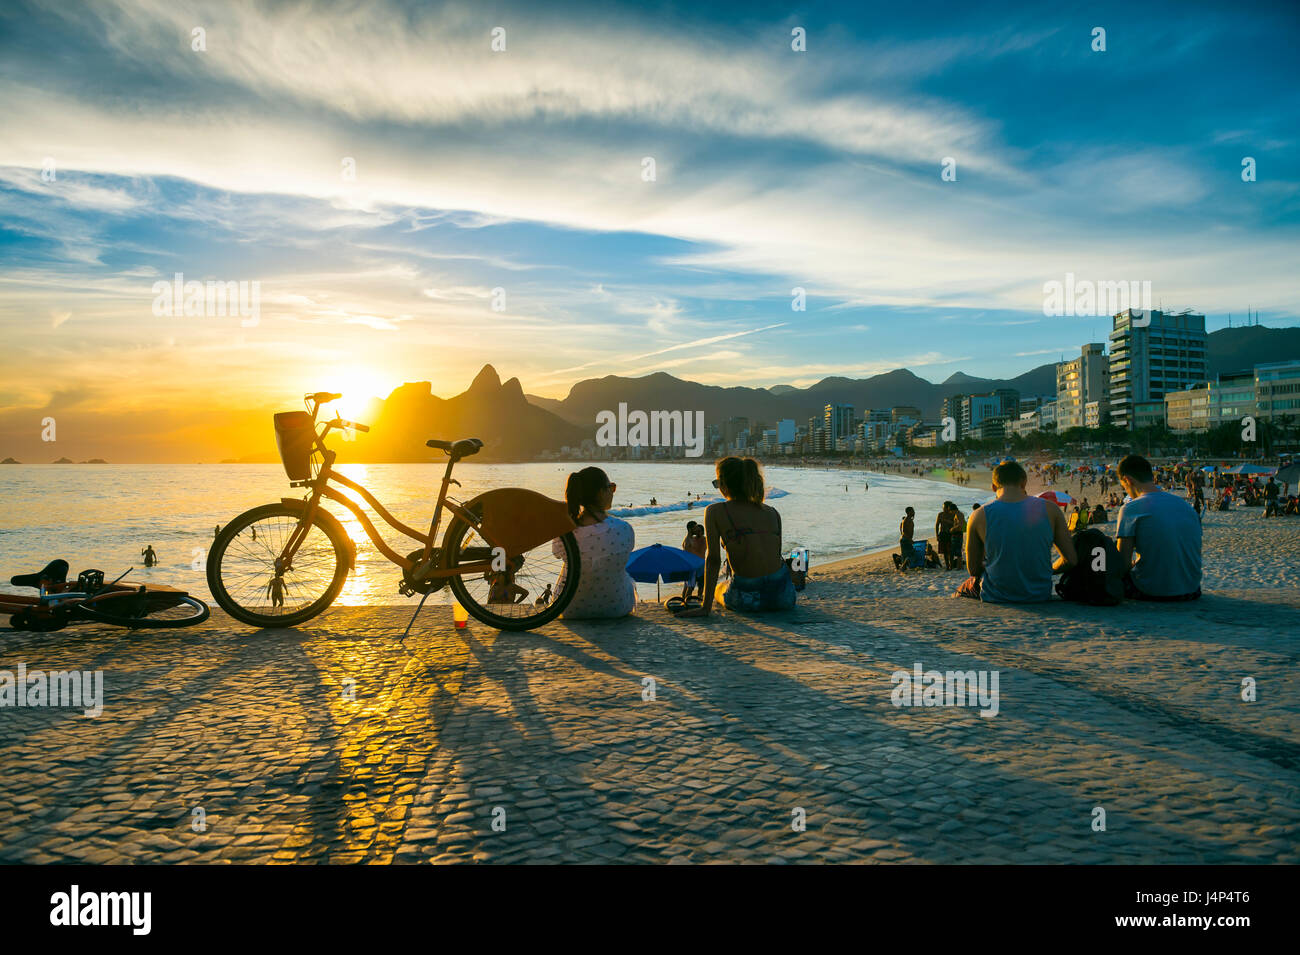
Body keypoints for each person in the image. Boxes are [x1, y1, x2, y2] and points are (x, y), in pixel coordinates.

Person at [677, 457, 794, 616]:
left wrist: (705, 608)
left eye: (717, 483)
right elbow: (774, 555)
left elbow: (713, 560)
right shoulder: (773, 512)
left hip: (747, 598)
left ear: (724, 484)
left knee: (721, 587)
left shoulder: (716, 511)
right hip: (784, 595)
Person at [956, 460, 1076, 603]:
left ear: (993, 487)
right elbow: (1071, 560)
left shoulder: (978, 515)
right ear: (1024, 482)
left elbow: (973, 570)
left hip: (996, 596)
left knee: (961, 590)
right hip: (1039, 594)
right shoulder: (1051, 509)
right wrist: (1048, 569)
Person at [1115, 454, 1202, 601]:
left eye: (1124, 487)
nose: (1126, 491)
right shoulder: (1185, 506)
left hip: (1150, 590)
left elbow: (1122, 565)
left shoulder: (1131, 509)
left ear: (1127, 480)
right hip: (1191, 589)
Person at [552, 467, 635, 619]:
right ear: (601, 492)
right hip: (616, 606)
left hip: (569, 607)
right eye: (611, 487)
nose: (612, 492)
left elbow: (557, 553)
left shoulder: (564, 532)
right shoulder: (624, 529)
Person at [681, 520, 706, 600]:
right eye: (695, 528)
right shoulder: (689, 540)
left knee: (687, 586)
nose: (696, 529)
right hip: (691, 566)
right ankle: (686, 601)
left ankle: (684, 600)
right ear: (690, 529)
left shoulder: (690, 539)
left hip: (691, 566)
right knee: (690, 587)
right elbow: (688, 554)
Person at [895, 507, 916, 572]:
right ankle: (902, 567)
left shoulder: (910, 520)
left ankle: (897, 559)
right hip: (905, 540)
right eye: (912, 511)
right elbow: (903, 532)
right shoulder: (906, 520)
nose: (914, 512)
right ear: (908, 512)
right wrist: (910, 539)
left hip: (906, 539)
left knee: (907, 555)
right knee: (910, 555)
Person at [935, 503, 954, 571]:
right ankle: (947, 566)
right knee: (944, 551)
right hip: (942, 533)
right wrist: (937, 535)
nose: (943, 509)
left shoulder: (952, 514)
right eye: (943, 508)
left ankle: (951, 565)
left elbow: (955, 523)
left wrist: (947, 521)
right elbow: (937, 525)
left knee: (951, 551)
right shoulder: (940, 514)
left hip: (950, 534)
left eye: (945, 508)